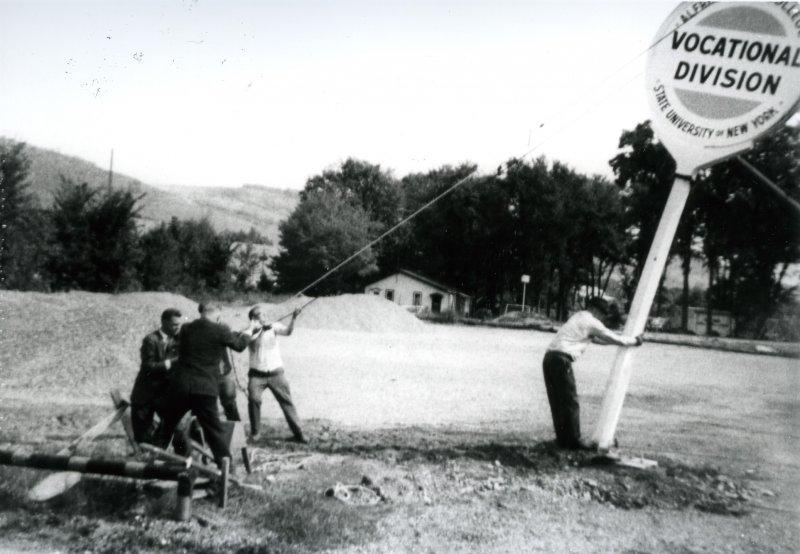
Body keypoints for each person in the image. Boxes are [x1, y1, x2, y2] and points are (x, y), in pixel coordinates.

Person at [157, 302, 260, 466]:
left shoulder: (186, 328)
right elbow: (239, 346)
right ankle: (226, 468)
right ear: (217, 313)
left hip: (181, 387)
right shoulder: (221, 329)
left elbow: (201, 342)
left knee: (167, 425)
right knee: (214, 432)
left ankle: (151, 458)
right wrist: (249, 331)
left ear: (202, 312)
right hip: (204, 388)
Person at [542, 298, 643, 450]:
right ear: (596, 310)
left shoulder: (578, 317)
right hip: (561, 360)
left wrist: (618, 341)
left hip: (550, 358)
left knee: (557, 401)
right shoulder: (591, 322)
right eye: (602, 314)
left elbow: (596, 339)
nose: (602, 318)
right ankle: (574, 441)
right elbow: (611, 337)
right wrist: (634, 341)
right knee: (569, 402)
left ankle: (563, 439)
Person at [246, 305, 306, 443]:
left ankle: (299, 434)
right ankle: (255, 433)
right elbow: (251, 341)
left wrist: (293, 318)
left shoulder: (274, 326)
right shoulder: (249, 330)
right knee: (254, 400)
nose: (264, 316)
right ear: (253, 318)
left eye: (264, 314)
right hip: (256, 374)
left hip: (276, 373)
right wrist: (260, 330)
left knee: (286, 401)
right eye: (260, 314)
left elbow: (288, 332)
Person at [130, 308, 182, 444]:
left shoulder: (178, 340)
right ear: (164, 322)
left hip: (163, 394)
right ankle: (147, 453)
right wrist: (173, 362)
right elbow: (149, 366)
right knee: (142, 435)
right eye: (174, 324)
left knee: (175, 425)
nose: (178, 327)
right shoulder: (150, 340)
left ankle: (160, 450)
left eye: (179, 324)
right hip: (145, 394)